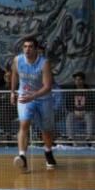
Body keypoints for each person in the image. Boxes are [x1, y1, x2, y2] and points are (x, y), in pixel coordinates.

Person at [11, 36, 57, 173]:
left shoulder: (44, 63)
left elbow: (48, 86)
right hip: (25, 96)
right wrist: (12, 92)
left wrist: (33, 96)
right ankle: (22, 157)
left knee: (46, 130)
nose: (27, 49)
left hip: (43, 97)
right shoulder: (17, 60)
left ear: (36, 49)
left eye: (30, 46)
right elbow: (14, 74)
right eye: (25, 46)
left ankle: (48, 152)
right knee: (24, 124)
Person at [65, 71, 95, 141]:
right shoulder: (71, 91)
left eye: (79, 79)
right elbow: (68, 104)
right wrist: (74, 111)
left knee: (89, 116)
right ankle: (70, 137)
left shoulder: (89, 91)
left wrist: (84, 111)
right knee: (69, 116)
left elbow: (93, 104)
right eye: (76, 80)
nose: (77, 81)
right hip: (75, 112)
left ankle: (89, 137)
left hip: (86, 112)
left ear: (83, 80)